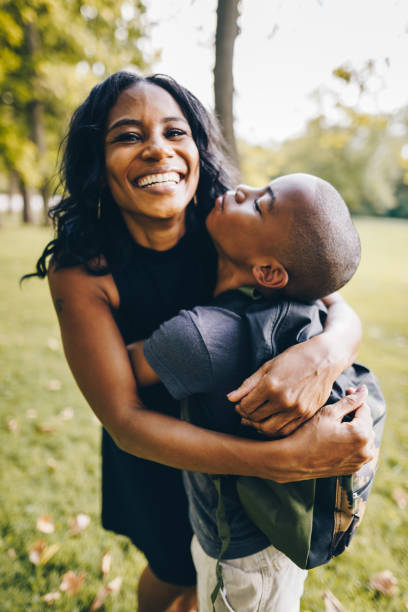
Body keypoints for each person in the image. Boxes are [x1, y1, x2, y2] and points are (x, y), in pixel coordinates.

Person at [28, 72, 374, 612]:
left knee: (218, 576)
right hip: (156, 451)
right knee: (174, 573)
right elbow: (125, 421)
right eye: (127, 136)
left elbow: (325, 292)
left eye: (174, 131)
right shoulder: (83, 272)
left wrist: (324, 352)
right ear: (98, 162)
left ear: (196, 145)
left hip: (235, 427)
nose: (156, 150)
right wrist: (282, 460)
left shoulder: (223, 217)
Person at [127, 173, 382, 611]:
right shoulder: (306, 310)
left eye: (261, 204)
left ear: (268, 271)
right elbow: (333, 297)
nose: (242, 190)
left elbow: (121, 365)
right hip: (269, 542)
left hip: (240, 559)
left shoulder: (199, 337)